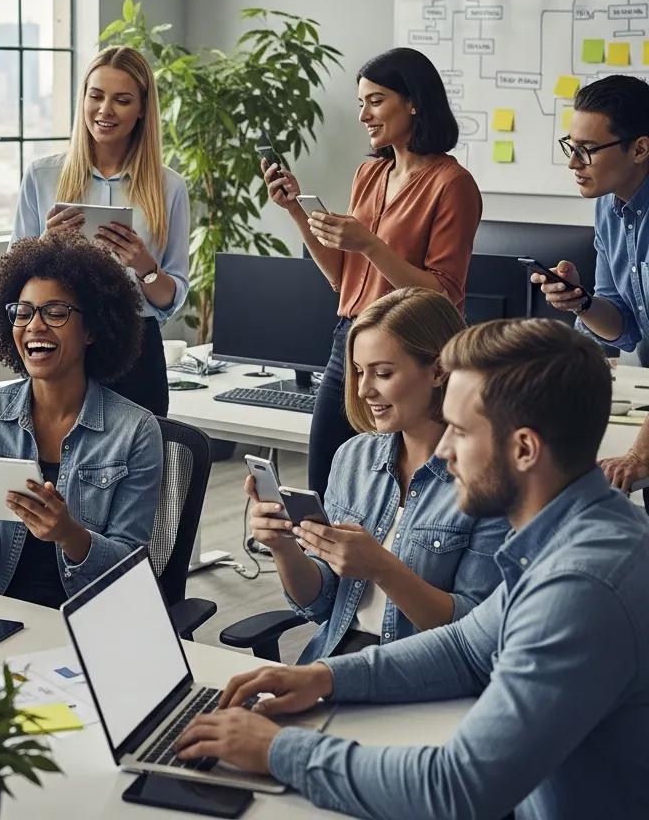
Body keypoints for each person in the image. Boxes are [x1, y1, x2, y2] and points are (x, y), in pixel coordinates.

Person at [174, 318, 649, 818]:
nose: (444, 450)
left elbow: (458, 789)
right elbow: (467, 648)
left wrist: (275, 751)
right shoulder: (571, 532)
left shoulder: (581, 586)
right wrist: (323, 676)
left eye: (460, 432)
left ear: (524, 449)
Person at [262, 47, 482, 497]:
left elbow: (443, 297)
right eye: (361, 102)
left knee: (390, 488)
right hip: (349, 341)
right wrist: (298, 214)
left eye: (375, 101)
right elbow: (344, 281)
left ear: (414, 102)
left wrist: (370, 244)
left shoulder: (452, 184)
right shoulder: (369, 172)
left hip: (407, 352)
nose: (363, 114)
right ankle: (323, 567)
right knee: (323, 483)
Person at [247, 288, 507, 661]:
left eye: (383, 373)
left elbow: (475, 632)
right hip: (337, 656)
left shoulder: (492, 480)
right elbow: (321, 606)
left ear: (438, 371)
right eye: (358, 372)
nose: (365, 389)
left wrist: (384, 569)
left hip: (426, 674)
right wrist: (283, 546)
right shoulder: (353, 456)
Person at [0, 233, 163, 606]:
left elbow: (127, 569)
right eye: (23, 312)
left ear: (92, 329)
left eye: (55, 313)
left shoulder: (135, 431)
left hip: (90, 617)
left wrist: (69, 534)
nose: (34, 326)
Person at [11, 45, 190, 416]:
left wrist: (144, 264)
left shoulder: (169, 188)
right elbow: (13, 283)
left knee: (139, 468)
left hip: (138, 351)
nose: (105, 110)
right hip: (61, 344)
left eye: (121, 100)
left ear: (141, 110)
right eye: (96, 96)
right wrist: (46, 246)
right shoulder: (43, 176)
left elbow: (171, 298)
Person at [531, 74, 649, 492]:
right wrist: (581, 303)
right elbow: (622, 327)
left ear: (640, 148)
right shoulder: (608, 208)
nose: (573, 163)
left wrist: (639, 454)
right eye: (571, 146)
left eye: (587, 150)